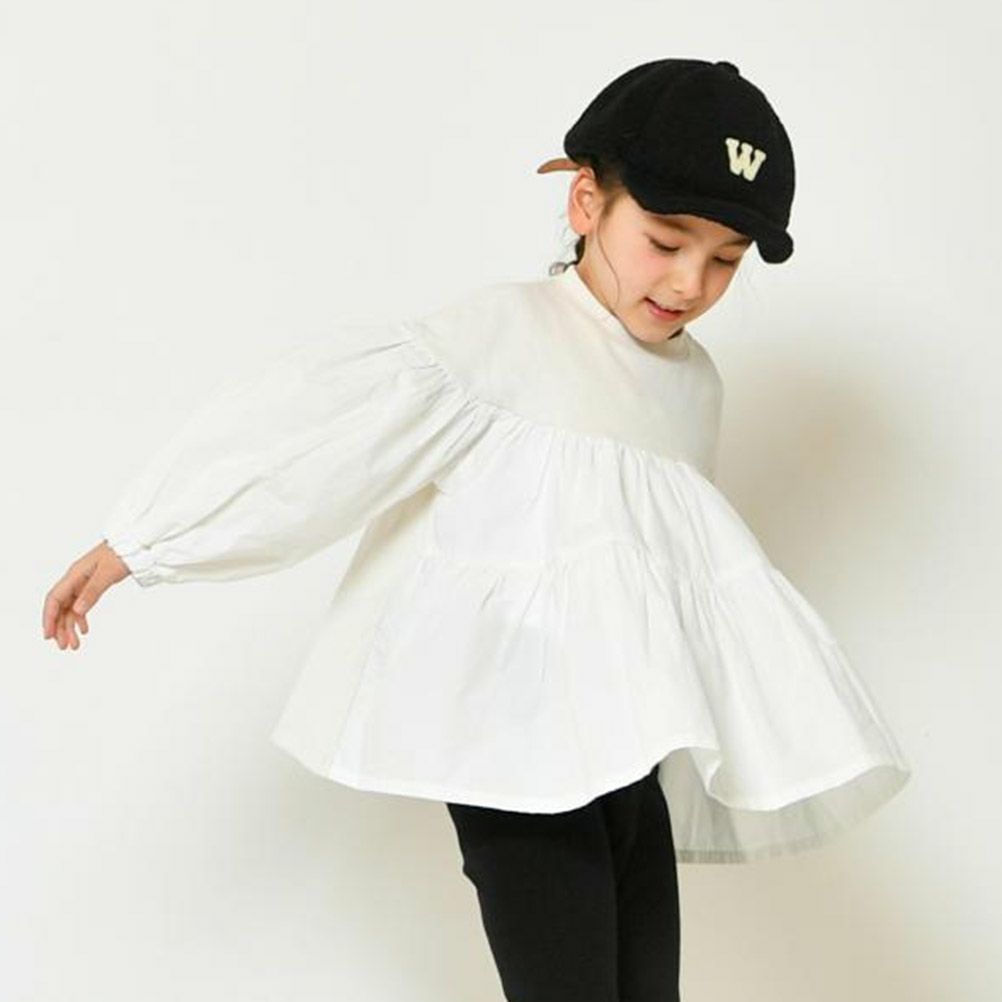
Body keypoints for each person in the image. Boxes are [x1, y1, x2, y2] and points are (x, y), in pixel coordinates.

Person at [41, 58, 911, 1002]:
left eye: (725, 260)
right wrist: (148, 541)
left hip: (629, 755)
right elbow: (319, 444)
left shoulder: (693, 388)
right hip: (514, 752)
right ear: (586, 201)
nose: (690, 281)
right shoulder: (498, 340)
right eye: (666, 240)